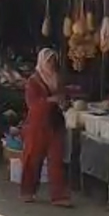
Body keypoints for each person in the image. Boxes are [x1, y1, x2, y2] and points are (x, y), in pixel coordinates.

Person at [20, 48, 70, 206]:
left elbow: (64, 96)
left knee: (56, 159)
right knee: (33, 158)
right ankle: (28, 191)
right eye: (49, 61)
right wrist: (50, 101)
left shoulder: (57, 79)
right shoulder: (33, 81)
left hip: (55, 122)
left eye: (53, 61)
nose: (51, 64)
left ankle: (59, 196)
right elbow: (33, 105)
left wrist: (63, 102)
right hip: (37, 124)